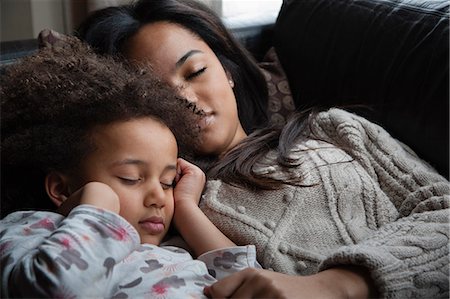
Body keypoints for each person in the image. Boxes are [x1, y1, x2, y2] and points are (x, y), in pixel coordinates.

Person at [76, 1, 450, 298]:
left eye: (195, 72)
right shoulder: (168, 209)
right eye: (159, 96)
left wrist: (340, 284)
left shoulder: (335, 128)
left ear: (228, 72)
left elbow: (444, 209)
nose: (186, 100)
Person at [0, 35, 260, 298]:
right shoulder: (31, 230)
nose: (158, 197)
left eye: (167, 181)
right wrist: (96, 206)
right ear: (61, 188)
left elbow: (254, 286)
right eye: (131, 178)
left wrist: (187, 209)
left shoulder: (175, 247)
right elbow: (54, 288)